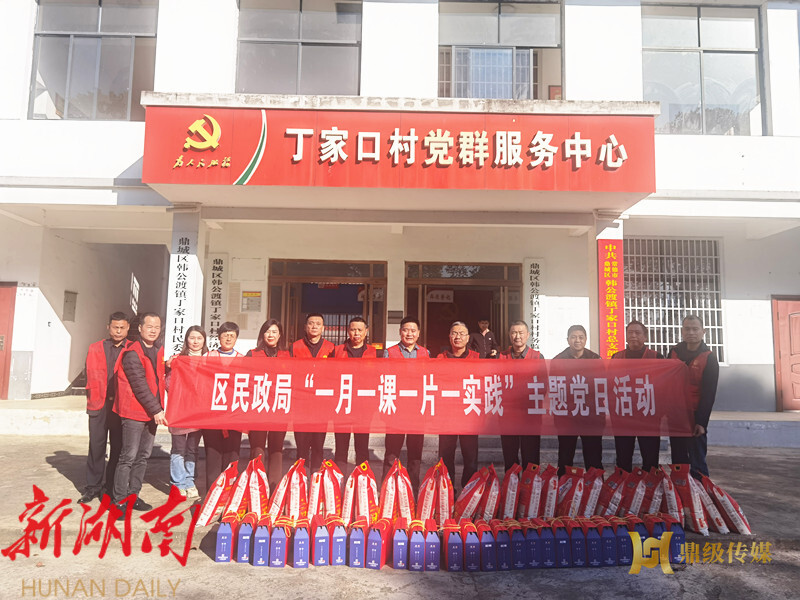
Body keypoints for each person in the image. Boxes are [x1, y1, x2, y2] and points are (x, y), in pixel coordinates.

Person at [113, 312, 167, 516]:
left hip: (150, 413)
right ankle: (119, 501)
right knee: (128, 456)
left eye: (157, 327)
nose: (153, 330)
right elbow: (139, 386)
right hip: (134, 412)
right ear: (140, 328)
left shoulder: (158, 351)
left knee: (143, 457)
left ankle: (133, 495)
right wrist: (157, 410)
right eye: (149, 326)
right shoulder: (132, 353)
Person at [80, 312, 130, 504]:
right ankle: (92, 487)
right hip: (98, 404)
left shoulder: (133, 349)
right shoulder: (95, 348)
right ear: (108, 327)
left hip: (120, 405)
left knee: (118, 447)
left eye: (122, 328)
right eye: (115, 327)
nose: (118, 331)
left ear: (128, 328)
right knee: (96, 446)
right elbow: (88, 373)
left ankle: (110, 487)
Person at [668, 315, 719, 479]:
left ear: (703, 332)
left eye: (695, 329)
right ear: (682, 331)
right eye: (687, 329)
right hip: (676, 414)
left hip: (695, 415)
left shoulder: (709, 358)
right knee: (678, 459)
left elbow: (709, 393)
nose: (691, 332)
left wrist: (701, 422)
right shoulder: (673, 353)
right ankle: (680, 490)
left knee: (697, 461)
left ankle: (700, 491)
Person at [383, 316, 430, 493]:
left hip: (417, 410)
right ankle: (387, 491)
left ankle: (412, 492)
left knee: (415, 454)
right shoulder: (389, 352)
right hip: (396, 410)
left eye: (413, 330)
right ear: (400, 332)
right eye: (405, 330)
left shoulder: (425, 353)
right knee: (391, 453)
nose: (409, 333)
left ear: (418, 333)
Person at [611, 320, 663, 473]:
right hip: (623, 414)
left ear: (645, 337)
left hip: (648, 414)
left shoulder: (657, 357)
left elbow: (664, 386)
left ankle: (650, 485)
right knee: (623, 457)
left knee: (650, 457)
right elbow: (609, 384)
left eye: (637, 333)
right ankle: (625, 484)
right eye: (630, 333)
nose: (633, 335)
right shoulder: (616, 357)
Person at [246, 319, 291, 489]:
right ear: (262, 334)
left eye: (274, 332)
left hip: (279, 407)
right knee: (257, 448)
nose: (270, 335)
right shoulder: (252, 354)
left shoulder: (287, 355)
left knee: (277, 449)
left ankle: (274, 487)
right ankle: (256, 487)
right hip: (258, 407)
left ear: (280, 335)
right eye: (267, 331)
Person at [552, 324, 603, 476]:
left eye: (581, 337)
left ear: (586, 339)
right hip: (567, 416)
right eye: (573, 337)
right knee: (565, 455)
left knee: (593, 455)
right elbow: (553, 385)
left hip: (590, 415)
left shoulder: (595, 359)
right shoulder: (558, 360)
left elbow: (602, 384)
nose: (577, 340)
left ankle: (595, 485)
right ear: (567, 339)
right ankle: (564, 485)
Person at [165, 326, 207, 500]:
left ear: (204, 341)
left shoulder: (208, 361)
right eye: (192, 338)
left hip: (198, 412)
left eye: (199, 338)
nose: (195, 341)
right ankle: (178, 483)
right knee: (178, 448)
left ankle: (189, 481)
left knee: (192, 449)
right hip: (180, 410)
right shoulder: (177, 360)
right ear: (186, 340)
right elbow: (168, 384)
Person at [203, 321, 244, 492]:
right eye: (225, 335)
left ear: (236, 338)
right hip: (212, 415)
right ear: (218, 337)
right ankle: (212, 494)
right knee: (213, 455)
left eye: (232, 336)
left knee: (232, 456)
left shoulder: (243, 359)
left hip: (234, 415)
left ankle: (229, 493)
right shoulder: (208, 356)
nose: (228, 338)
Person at [437, 321, 480, 489]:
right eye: (454, 333)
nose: (458, 337)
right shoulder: (440, 359)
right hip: (447, 417)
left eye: (462, 334)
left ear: (468, 338)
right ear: (449, 337)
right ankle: (447, 491)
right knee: (445, 456)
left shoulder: (477, 359)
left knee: (470, 457)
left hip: (469, 415)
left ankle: (468, 492)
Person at [290, 313, 335, 471]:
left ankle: (316, 477)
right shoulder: (295, 347)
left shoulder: (331, 348)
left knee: (318, 445)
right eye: (311, 323)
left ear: (323, 328)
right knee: (301, 446)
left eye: (318, 323)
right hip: (300, 404)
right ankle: (300, 478)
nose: (314, 326)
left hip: (321, 405)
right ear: (305, 327)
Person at [498, 320, 544, 472]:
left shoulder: (537, 357)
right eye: (514, 332)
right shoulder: (501, 357)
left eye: (521, 332)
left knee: (531, 456)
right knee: (509, 456)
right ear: (509, 335)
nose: (517, 336)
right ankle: (512, 485)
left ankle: (530, 485)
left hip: (530, 416)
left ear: (528, 335)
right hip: (508, 416)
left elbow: (543, 385)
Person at [333, 317, 379, 467]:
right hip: (343, 403)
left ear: (366, 331)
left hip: (364, 406)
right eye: (353, 330)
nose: (356, 333)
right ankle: (339, 478)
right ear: (348, 331)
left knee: (362, 445)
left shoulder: (374, 352)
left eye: (360, 330)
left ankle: (362, 477)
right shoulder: (337, 350)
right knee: (341, 445)